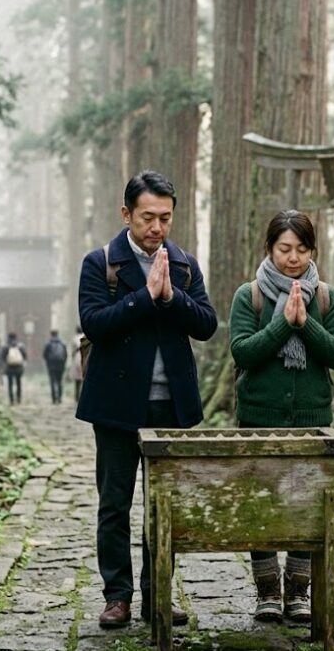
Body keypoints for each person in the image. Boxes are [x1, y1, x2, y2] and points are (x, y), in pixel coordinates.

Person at [77, 170, 217, 629]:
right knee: (114, 503)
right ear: (126, 214)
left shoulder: (184, 264)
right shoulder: (101, 263)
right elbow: (95, 322)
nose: (156, 228)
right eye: (147, 217)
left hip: (168, 406)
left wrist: (172, 296)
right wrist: (143, 297)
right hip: (116, 405)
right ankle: (117, 596)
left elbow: (205, 324)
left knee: (164, 505)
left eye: (165, 218)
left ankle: (158, 592)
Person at [229, 210, 334, 624]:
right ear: (269, 249)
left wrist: (307, 325)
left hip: (312, 419)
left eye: (301, 249)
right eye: (284, 249)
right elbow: (242, 351)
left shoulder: (326, 298)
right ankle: (267, 589)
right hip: (258, 419)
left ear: (313, 250)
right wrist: (283, 325)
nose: (293, 258)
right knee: (260, 506)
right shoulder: (250, 296)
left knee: (307, 506)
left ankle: (299, 588)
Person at [42, 329, 68, 404]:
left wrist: (48, 362)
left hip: (51, 365)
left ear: (51, 334)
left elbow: (44, 355)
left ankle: (54, 399)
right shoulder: (63, 343)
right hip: (60, 365)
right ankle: (59, 398)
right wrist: (63, 363)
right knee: (59, 382)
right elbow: (66, 355)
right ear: (57, 334)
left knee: (52, 382)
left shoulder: (48, 344)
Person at [4, 333, 27, 405]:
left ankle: (11, 400)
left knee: (10, 384)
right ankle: (19, 399)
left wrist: (7, 361)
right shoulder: (20, 346)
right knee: (18, 383)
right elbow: (25, 356)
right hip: (18, 367)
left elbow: (3, 356)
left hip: (10, 367)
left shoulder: (6, 347)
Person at [69, 325, 85, 402]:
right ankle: (83, 397)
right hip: (84, 357)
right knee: (84, 379)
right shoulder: (85, 337)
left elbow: (73, 350)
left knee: (77, 380)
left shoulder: (74, 338)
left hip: (76, 358)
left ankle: (76, 397)